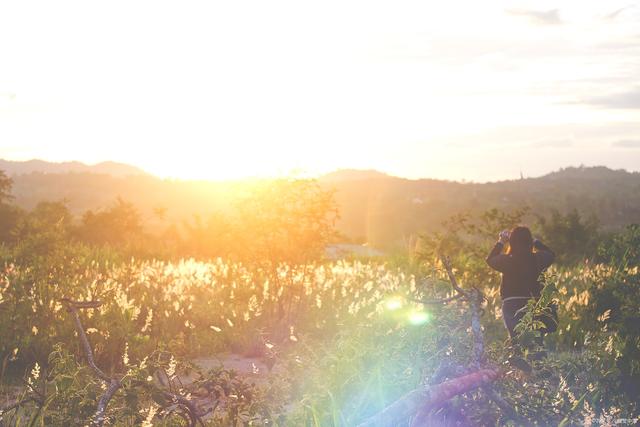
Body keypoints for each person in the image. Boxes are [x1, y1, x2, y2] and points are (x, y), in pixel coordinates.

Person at [486, 226, 555, 341]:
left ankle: (517, 358)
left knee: (516, 340)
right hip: (535, 303)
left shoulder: (508, 260)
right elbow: (551, 254)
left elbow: (490, 259)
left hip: (511, 304)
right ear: (529, 242)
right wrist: (535, 242)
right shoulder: (538, 258)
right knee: (536, 341)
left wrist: (501, 242)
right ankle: (537, 359)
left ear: (512, 242)